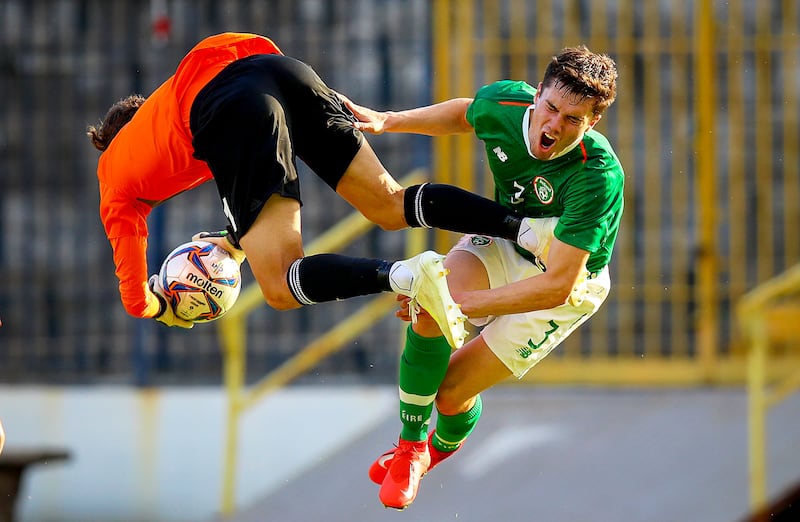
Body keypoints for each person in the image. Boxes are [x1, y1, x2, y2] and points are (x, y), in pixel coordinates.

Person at [87, 32, 548, 349]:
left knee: (280, 286)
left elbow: (134, 298)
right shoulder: (168, 110)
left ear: (113, 141)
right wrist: (235, 241)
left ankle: (407, 275)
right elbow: (252, 157)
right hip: (282, 71)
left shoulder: (114, 175)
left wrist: (160, 306)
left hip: (230, 107)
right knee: (389, 203)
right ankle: (526, 229)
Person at [345, 45, 624, 509]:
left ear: (592, 123)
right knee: (431, 300)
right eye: (551, 108)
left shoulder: (598, 176)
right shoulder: (506, 103)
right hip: (507, 240)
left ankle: (438, 448)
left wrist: (460, 306)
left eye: (573, 119)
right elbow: (464, 114)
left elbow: (558, 284)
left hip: (564, 284)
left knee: (450, 394)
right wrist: (388, 120)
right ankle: (411, 446)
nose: (554, 125)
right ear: (537, 94)